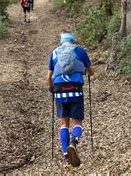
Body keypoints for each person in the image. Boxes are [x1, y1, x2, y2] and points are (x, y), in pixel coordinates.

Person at [47, 31, 94, 168]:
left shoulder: (54, 53)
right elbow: (91, 72)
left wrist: (51, 88)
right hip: (76, 90)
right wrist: (83, 71)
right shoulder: (80, 51)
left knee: (64, 123)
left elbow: (48, 77)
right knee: (77, 122)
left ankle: (66, 158)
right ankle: (74, 143)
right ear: (73, 40)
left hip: (60, 91)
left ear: (61, 41)